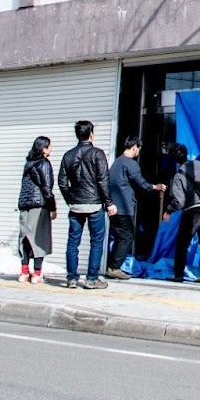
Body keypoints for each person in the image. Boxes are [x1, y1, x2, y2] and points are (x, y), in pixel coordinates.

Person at [57, 119, 114, 289]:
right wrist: (109, 203)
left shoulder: (68, 155)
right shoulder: (98, 154)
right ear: (91, 134)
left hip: (75, 205)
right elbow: (103, 180)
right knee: (96, 241)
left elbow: (62, 182)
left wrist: (70, 198)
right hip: (94, 204)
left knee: (73, 242)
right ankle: (91, 279)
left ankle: (72, 278)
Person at [106, 135, 162, 279]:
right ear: (135, 147)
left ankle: (111, 266)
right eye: (139, 149)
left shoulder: (117, 162)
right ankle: (114, 267)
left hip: (113, 207)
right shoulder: (130, 164)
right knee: (127, 236)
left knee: (119, 237)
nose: (138, 152)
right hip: (124, 207)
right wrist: (154, 187)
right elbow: (140, 182)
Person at [163, 144, 200, 284]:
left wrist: (168, 211)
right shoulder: (198, 164)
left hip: (193, 211)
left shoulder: (179, 176)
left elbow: (179, 201)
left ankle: (178, 275)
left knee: (182, 244)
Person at [15, 136, 55, 284]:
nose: (51, 149)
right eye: (49, 146)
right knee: (39, 238)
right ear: (43, 149)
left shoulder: (28, 164)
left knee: (25, 238)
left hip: (24, 205)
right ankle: (37, 274)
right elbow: (46, 188)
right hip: (39, 205)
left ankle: (24, 272)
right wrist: (52, 207)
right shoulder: (44, 164)